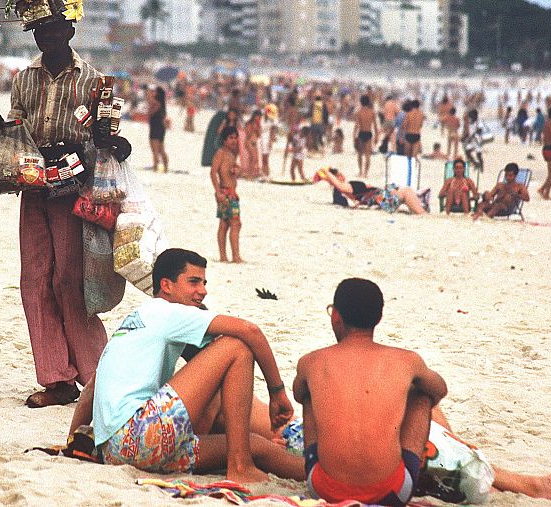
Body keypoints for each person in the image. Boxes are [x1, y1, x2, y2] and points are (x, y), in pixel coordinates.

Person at [0, 11, 132, 408]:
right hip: (33, 184)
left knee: (70, 279)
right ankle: (57, 379)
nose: (45, 38)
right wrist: (1, 126)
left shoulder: (92, 80)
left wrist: (108, 142)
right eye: (38, 31)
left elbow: (107, 134)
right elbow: (19, 125)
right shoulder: (24, 79)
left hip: (73, 187)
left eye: (52, 30)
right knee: (34, 278)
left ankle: (97, 375)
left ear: (68, 31)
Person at [69, 248, 304, 483]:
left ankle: (322, 475)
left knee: (256, 445)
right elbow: (250, 331)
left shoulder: (135, 323)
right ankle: (240, 464)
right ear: (167, 285)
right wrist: (277, 392)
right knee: (236, 346)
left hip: (115, 452)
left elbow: (93, 386)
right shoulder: (168, 311)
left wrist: (73, 439)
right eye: (193, 282)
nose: (202, 291)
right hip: (140, 435)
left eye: (204, 282)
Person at [293, 278, 448, 506]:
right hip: (391, 492)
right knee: (421, 394)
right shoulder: (407, 360)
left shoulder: (311, 361)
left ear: (336, 316)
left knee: (308, 394)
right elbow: (439, 390)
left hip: (324, 490)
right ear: (379, 317)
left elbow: (298, 394)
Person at [314, 168, 428, 215]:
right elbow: (339, 186)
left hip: (383, 200)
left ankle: (420, 210)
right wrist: (327, 174)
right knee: (407, 191)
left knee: (407, 193)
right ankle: (422, 213)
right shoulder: (347, 186)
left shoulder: (344, 189)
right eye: (339, 174)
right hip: (383, 200)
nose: (341, 174)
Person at [211, 126, 242, 263]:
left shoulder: (231, 154)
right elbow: (213, 172)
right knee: (235, 223)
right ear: (224, 140)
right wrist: (218, 192)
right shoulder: (221, 153)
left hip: (230, 192)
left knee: (224, 224)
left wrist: (236, 170)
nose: (234, 140)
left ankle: (224, 256)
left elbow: (228, 172)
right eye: (231, 138)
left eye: (235, 137)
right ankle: (235, 256)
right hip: (225, 193)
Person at [353, 95, 378, 178]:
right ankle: (366, 173)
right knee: (368, 155)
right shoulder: (372, 112)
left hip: (361, 133)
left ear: (361, 102)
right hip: (368, 133)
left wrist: (354, 136)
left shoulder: (359, 112)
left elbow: (356, 125)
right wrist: (376, 136)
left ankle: (360, 172)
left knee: (360, 154)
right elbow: (375, 126)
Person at [148, 85, 169, 173]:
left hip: (155, 127)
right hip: (160, 127)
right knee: (161, 149)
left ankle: (155, 167)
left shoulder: (156, 103)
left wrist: (150, 97)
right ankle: (165, 167)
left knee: (155, 150)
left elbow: (150, 113)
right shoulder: (162, 103)